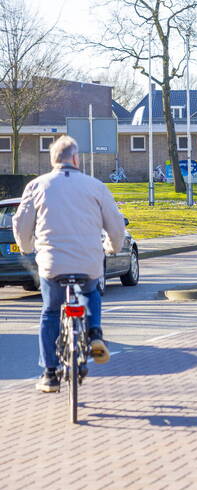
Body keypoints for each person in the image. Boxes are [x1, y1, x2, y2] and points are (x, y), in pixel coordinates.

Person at [12, 135, 126, 392]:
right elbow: (116, 225)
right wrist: (112, 247)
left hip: (52, 263)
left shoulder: (37, 186)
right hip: (88, 261)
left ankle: (49, 373)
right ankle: (95, 333)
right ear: (75, 159)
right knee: (90, 291)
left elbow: (20, 224)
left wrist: (27, 248)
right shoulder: (96, 186)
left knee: (51, 311)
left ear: (53, 160)